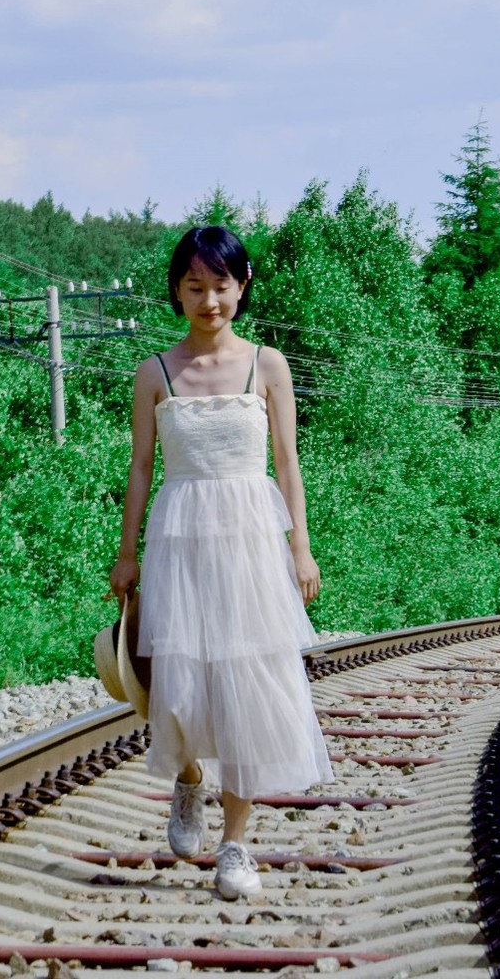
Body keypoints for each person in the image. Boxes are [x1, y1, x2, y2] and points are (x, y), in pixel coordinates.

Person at [108, 224, 333, 902]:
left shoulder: (268, 364)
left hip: (252, 540)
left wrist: (300, 546)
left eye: (221, 285)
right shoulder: (155, 371)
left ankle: (235, 845)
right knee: (178, 686)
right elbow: (141, 468)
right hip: (180, 538)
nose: (209, 300)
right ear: (177, 291)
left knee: (246, 689)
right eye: (195, 286)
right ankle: (188, 778)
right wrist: (126, 553)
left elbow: (287, 464)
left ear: (242, 286)